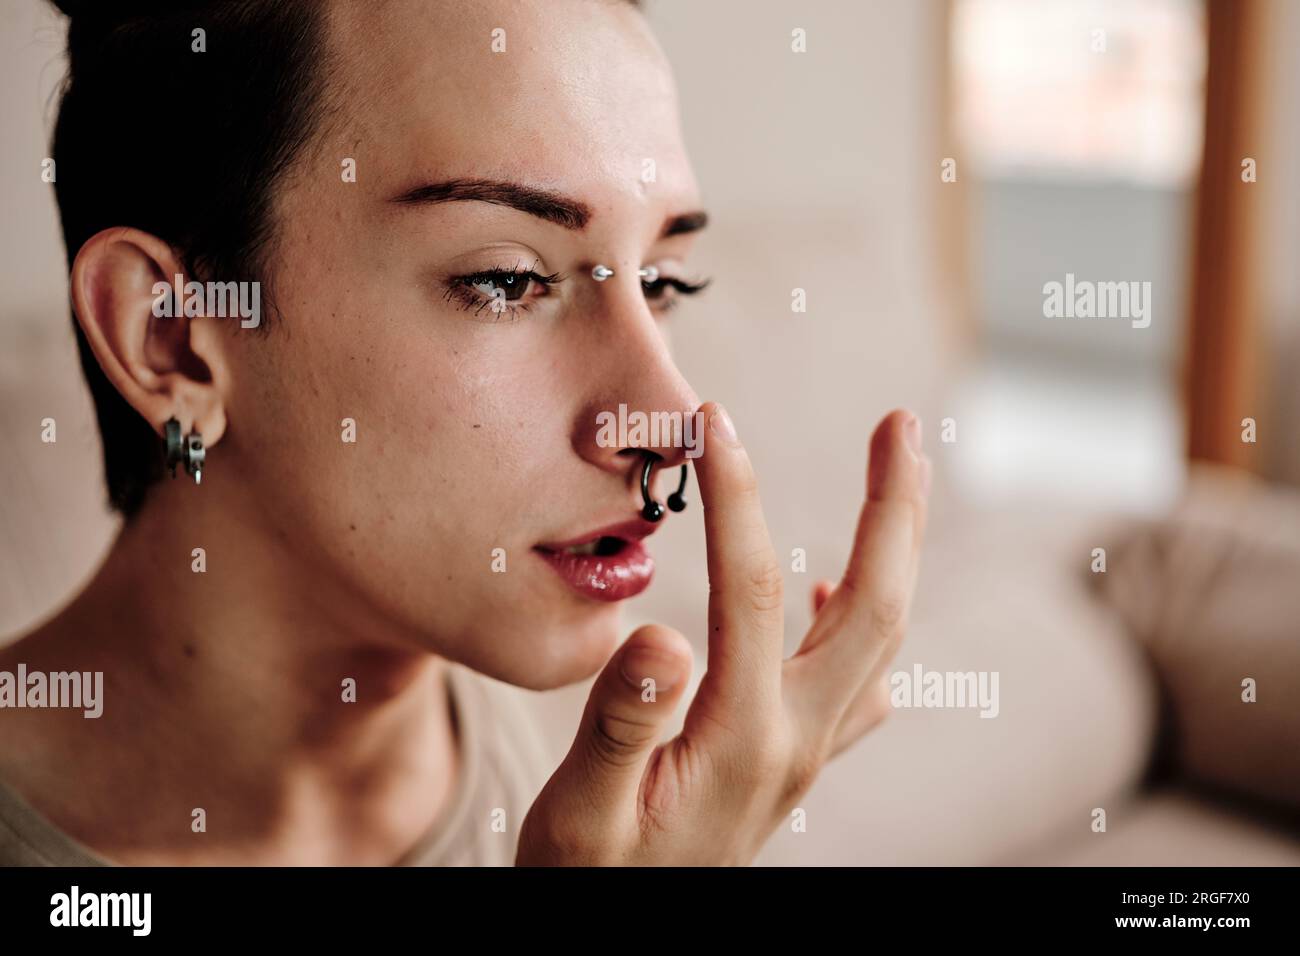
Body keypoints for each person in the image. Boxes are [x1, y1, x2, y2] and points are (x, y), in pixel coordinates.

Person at [0, 0, 930, 866]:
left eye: (662, 281)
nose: (669, 422)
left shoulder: (633, 779)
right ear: (170, 338)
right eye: (508, 280)